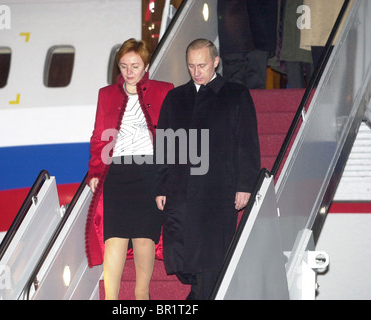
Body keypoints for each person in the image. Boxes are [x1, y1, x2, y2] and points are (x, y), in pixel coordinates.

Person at [155, 39, 261, 300]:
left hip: (218, 189)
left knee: (210, 256)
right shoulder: (176, 97)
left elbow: (247, 143)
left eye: (202, 65)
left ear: (216, 62)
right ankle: (198, 290)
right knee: (181, 250)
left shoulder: (236, 94)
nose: (196, 71)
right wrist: (161, 186)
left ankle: (201, 294)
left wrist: (245, 186)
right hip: (180, 188)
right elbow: (164, 144)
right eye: (191, 66)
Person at [85, 38, 174, 300]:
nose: (129, 72)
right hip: (117, 173)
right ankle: (111, 299)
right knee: (114, 237)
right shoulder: (106, 94)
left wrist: (167, 179)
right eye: (124, 66)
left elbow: (171, 137)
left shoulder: (164, 90)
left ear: (146, 66)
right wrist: (94, 172)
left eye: (135, 66)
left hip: (150, 171)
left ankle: (141, 295)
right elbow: (99, 136)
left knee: (145, 237)